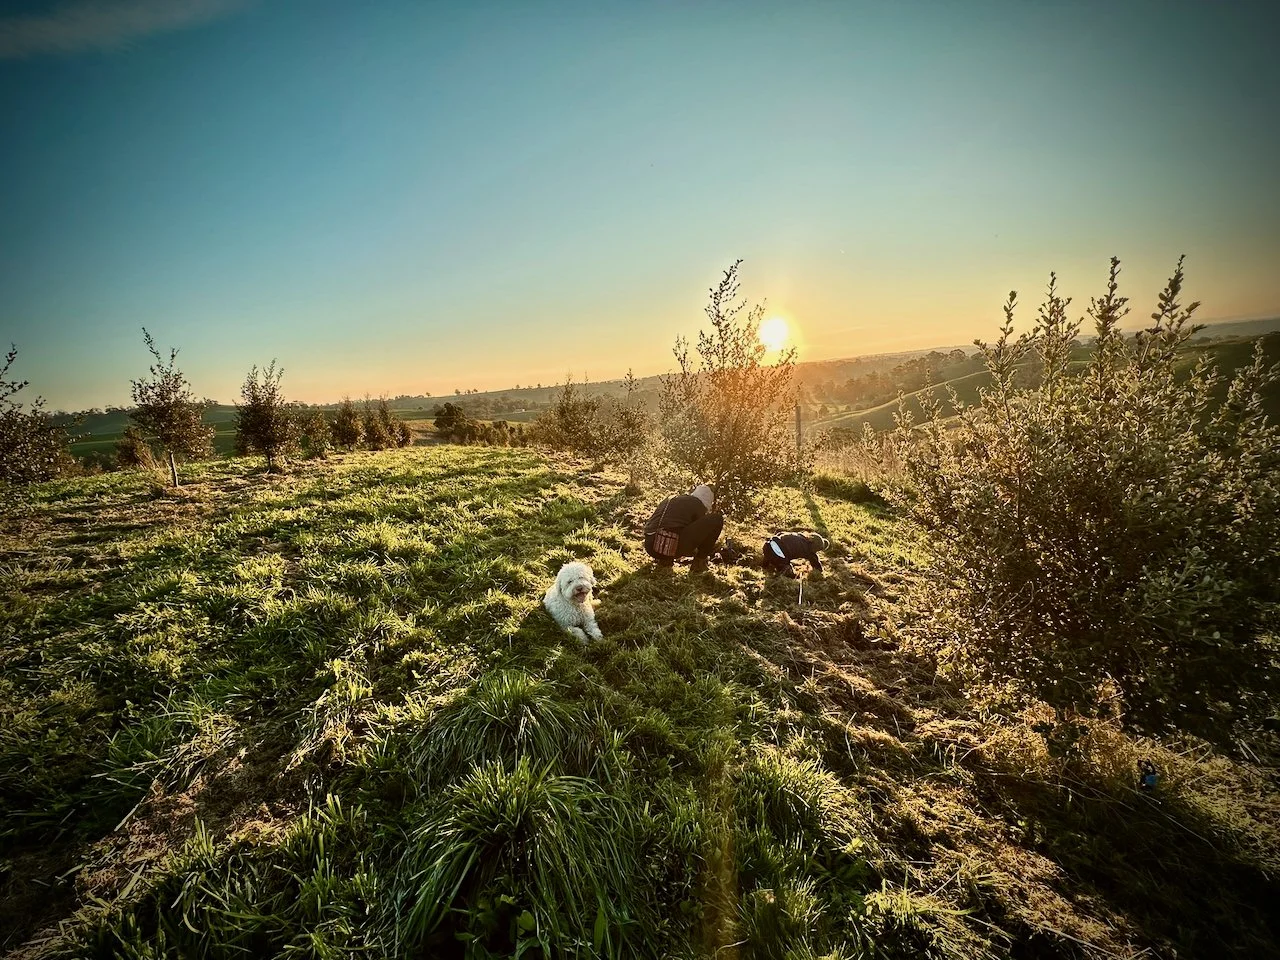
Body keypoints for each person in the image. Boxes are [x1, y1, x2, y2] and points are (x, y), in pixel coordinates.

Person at [643, 484, 724, 571]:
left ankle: (664, 560)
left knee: (672, 528)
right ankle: (699, 563)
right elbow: (699, 535)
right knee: (717, 519)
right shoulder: (698, 504)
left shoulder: (673, 498)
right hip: (667, 548)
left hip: (650, 546)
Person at [761, 532, 829, 578]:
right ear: (815, 548)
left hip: (768, 545)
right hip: (778, 556)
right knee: (790, 573)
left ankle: (765, 565)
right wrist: (820, 572)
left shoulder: (799, 535)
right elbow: (815, 563)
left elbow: (780, 533)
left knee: (774, 552)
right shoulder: (808, 550)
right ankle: (780, 571)